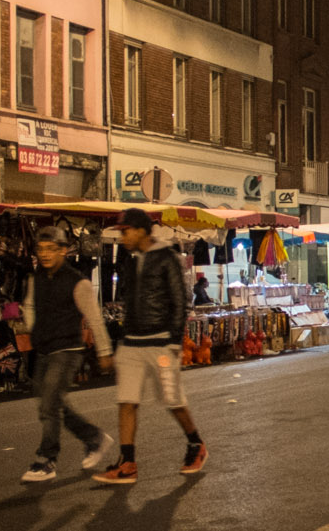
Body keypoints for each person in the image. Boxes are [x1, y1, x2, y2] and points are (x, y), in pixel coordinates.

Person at [93, 208, 206, 485]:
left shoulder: (167, 258)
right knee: (126, 400)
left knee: (172, 399)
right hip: (132, 343)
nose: (122, 237)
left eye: (126, 230)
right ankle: (128, 462)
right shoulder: (130, 262)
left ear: (142, 230)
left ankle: (195, 444)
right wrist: (120, 341)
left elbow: (180, 301)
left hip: (161, 342)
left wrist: (175, 341)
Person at [20, 227, 116, 483]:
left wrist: (104, 352)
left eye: (51, 249)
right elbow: (28, 305)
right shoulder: (36, 277)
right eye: (40, 249)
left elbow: (95, 319)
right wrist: (34, 329)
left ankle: (46, 459)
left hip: (68, 350)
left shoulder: (78, 282)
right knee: (50, 403)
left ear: (64, 250)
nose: (44, 254)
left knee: (50, 404)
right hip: (43, 349)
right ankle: (93, 437)